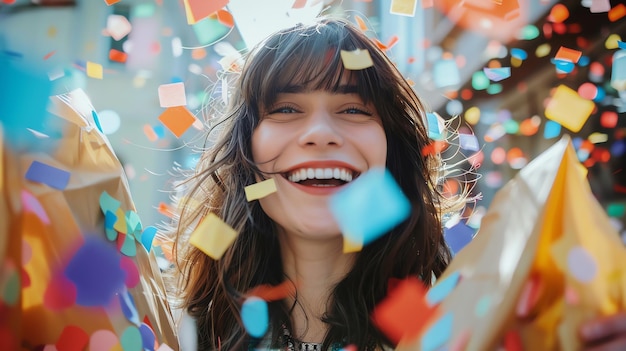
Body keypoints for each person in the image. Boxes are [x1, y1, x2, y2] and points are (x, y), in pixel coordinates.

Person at [167, 16, 626, 351]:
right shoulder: (180, 329)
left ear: (391, 154)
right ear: (247, 153)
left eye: (354, 109)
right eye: (286, 109)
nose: (321, 133)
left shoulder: (469, 323)